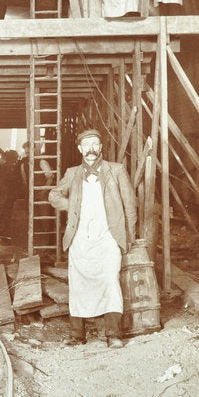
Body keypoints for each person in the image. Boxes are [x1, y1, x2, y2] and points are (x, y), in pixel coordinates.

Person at [49, 129, 137, 348]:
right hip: (80, 238)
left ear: (101, 148)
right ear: (80, 149)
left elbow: (130, 206)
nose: (91, 149)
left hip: (108, 237)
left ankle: (113, 334)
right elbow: (54, 195)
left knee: (110, 281)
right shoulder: (72, 173)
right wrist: (69, 205)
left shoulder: (115, 170)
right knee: (78, 285)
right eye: (86, 145)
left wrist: (127, 238)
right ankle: (77, 335)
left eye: (95, 144)